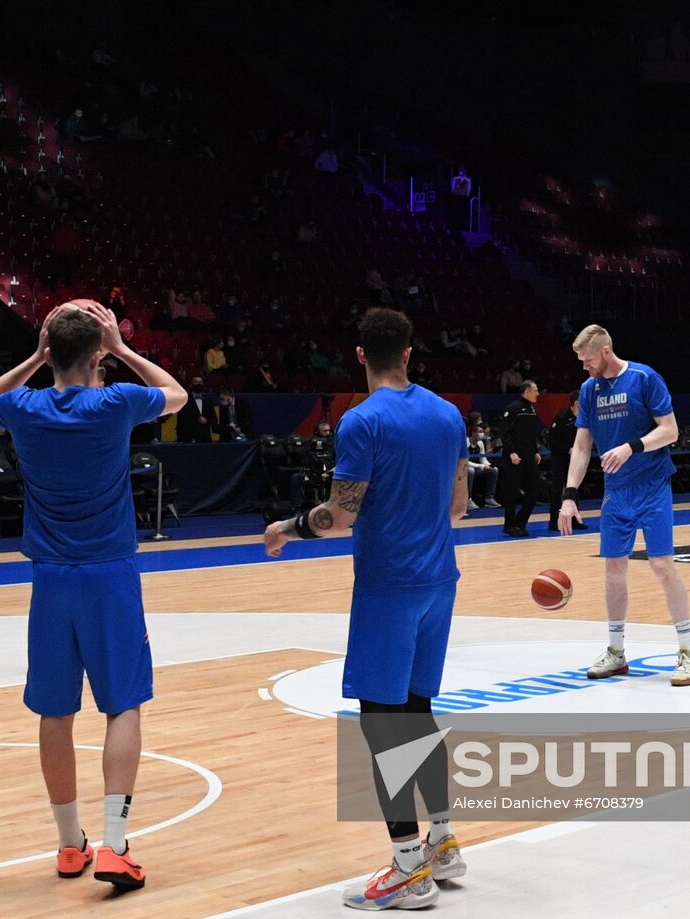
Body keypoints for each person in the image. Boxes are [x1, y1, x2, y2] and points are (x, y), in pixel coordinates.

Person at [0, 300, 187, 891]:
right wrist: (120, 349)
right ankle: (116, 846)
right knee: (122, 705)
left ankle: (71, 844)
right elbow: (177, 395)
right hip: (110, 574)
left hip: (50, 578)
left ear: (51, 352)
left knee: (55, 711)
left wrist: (35, 357)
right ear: (96, 354)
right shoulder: (116, 401)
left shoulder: (25, 406)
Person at [263, 307, 470, 911]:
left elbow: (340, 517)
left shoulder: (360, 422)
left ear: (360, 355)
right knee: (417, 712)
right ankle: (442, 840)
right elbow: (458, 508)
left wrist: (288, 525)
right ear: (409, 351)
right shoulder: (449, 414)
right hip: (440, 581)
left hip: (389, 587)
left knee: (383, 724)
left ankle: (408, 870)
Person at [558, 325, 690, 685]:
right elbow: (581, 445)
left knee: (662, 566)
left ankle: (689, 653)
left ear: (605, 351)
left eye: (587, 359)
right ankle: (616, 652)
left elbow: (670, 431)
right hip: (615, 492)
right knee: (613, 570)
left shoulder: (644, 377)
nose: (584, 366)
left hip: (652, 486)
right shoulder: (590, 390)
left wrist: (631, 447)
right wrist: (569, 495)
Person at [496, 381, 543, 537]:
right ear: (527, 391)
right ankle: (509, 525)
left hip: (529, 457)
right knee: (511, 491)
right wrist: (511, 452)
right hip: (514, 458)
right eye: (536, 390)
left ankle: (520, 521)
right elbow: (504, 432)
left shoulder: (531, 409)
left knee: (536, 486)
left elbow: (531, 433)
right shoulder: (513, 408)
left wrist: (536, 450)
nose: (538, 393)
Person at [548, 390, 589, 533]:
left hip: (574, 459)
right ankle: (553, 521)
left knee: (574, 487)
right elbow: (553, 440)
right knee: (558, 489)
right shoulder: (562, 416)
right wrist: (568, 449)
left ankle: (574, 520)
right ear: (575, 402)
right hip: (560, 458)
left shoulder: (584, 417)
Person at [176, 376, 215, 443]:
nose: (199, 384)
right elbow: (181, 421)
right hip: (190, 437)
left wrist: (206, 421)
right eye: (196, 382)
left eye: (201, 382)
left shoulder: (208, 400)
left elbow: (214, 419)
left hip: (206, 437)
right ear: (191, 385)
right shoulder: (186, 401)